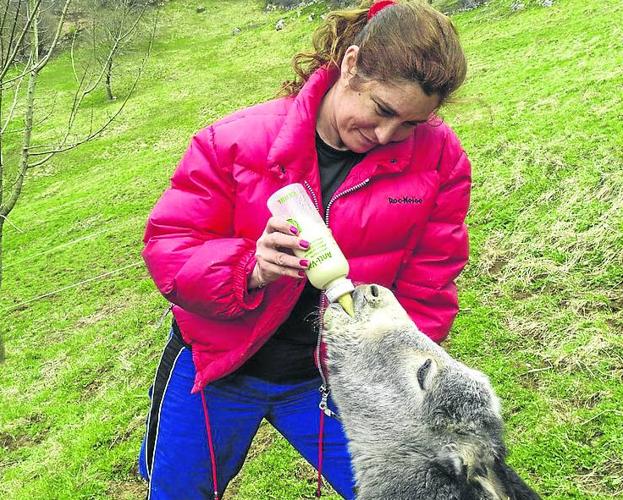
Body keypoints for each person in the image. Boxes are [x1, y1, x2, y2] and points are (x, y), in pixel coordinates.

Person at [138, 0, 471, 498]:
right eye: (381, 110)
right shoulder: (233, 142)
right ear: (352, 65)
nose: (385, 136)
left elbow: (430, 281)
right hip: (216, 368)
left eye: (409, 124)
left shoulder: (439, 161)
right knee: (179, 492)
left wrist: (399, 374)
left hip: (330, 380)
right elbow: (169, 249)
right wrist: (249, 269)